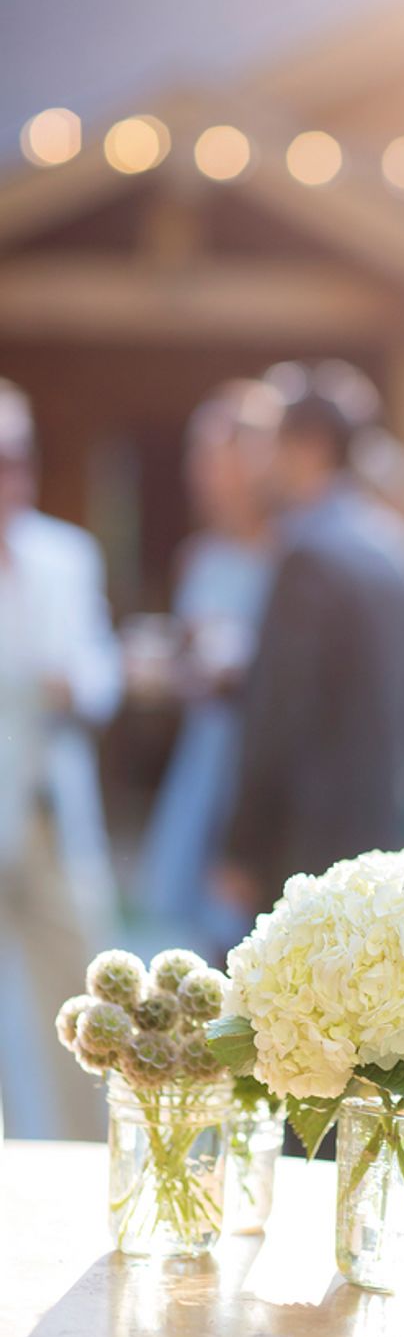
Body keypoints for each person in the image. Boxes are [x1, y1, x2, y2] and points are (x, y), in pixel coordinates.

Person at [217, 391, 404, 912]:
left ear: (310, 446)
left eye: (271, 444)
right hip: (378, 819)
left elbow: (279, 711)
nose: (261, 463)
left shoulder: (309, 552)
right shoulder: (394, 542)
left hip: (306, 837)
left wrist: (244, 844)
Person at [0, 378, 120, 1137]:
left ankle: (86, 1161)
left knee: (84, 1009)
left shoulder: (68, 554)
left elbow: (100, 665)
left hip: (51, 814)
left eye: (18, 458)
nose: (9, 476)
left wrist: (79, 684)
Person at [138, 380, 281, 955]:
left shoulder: (293, 555)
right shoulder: (199, 556)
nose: (200, 473)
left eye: (213, 457)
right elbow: (192, 665)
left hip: (260, 765)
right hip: (209, 756)